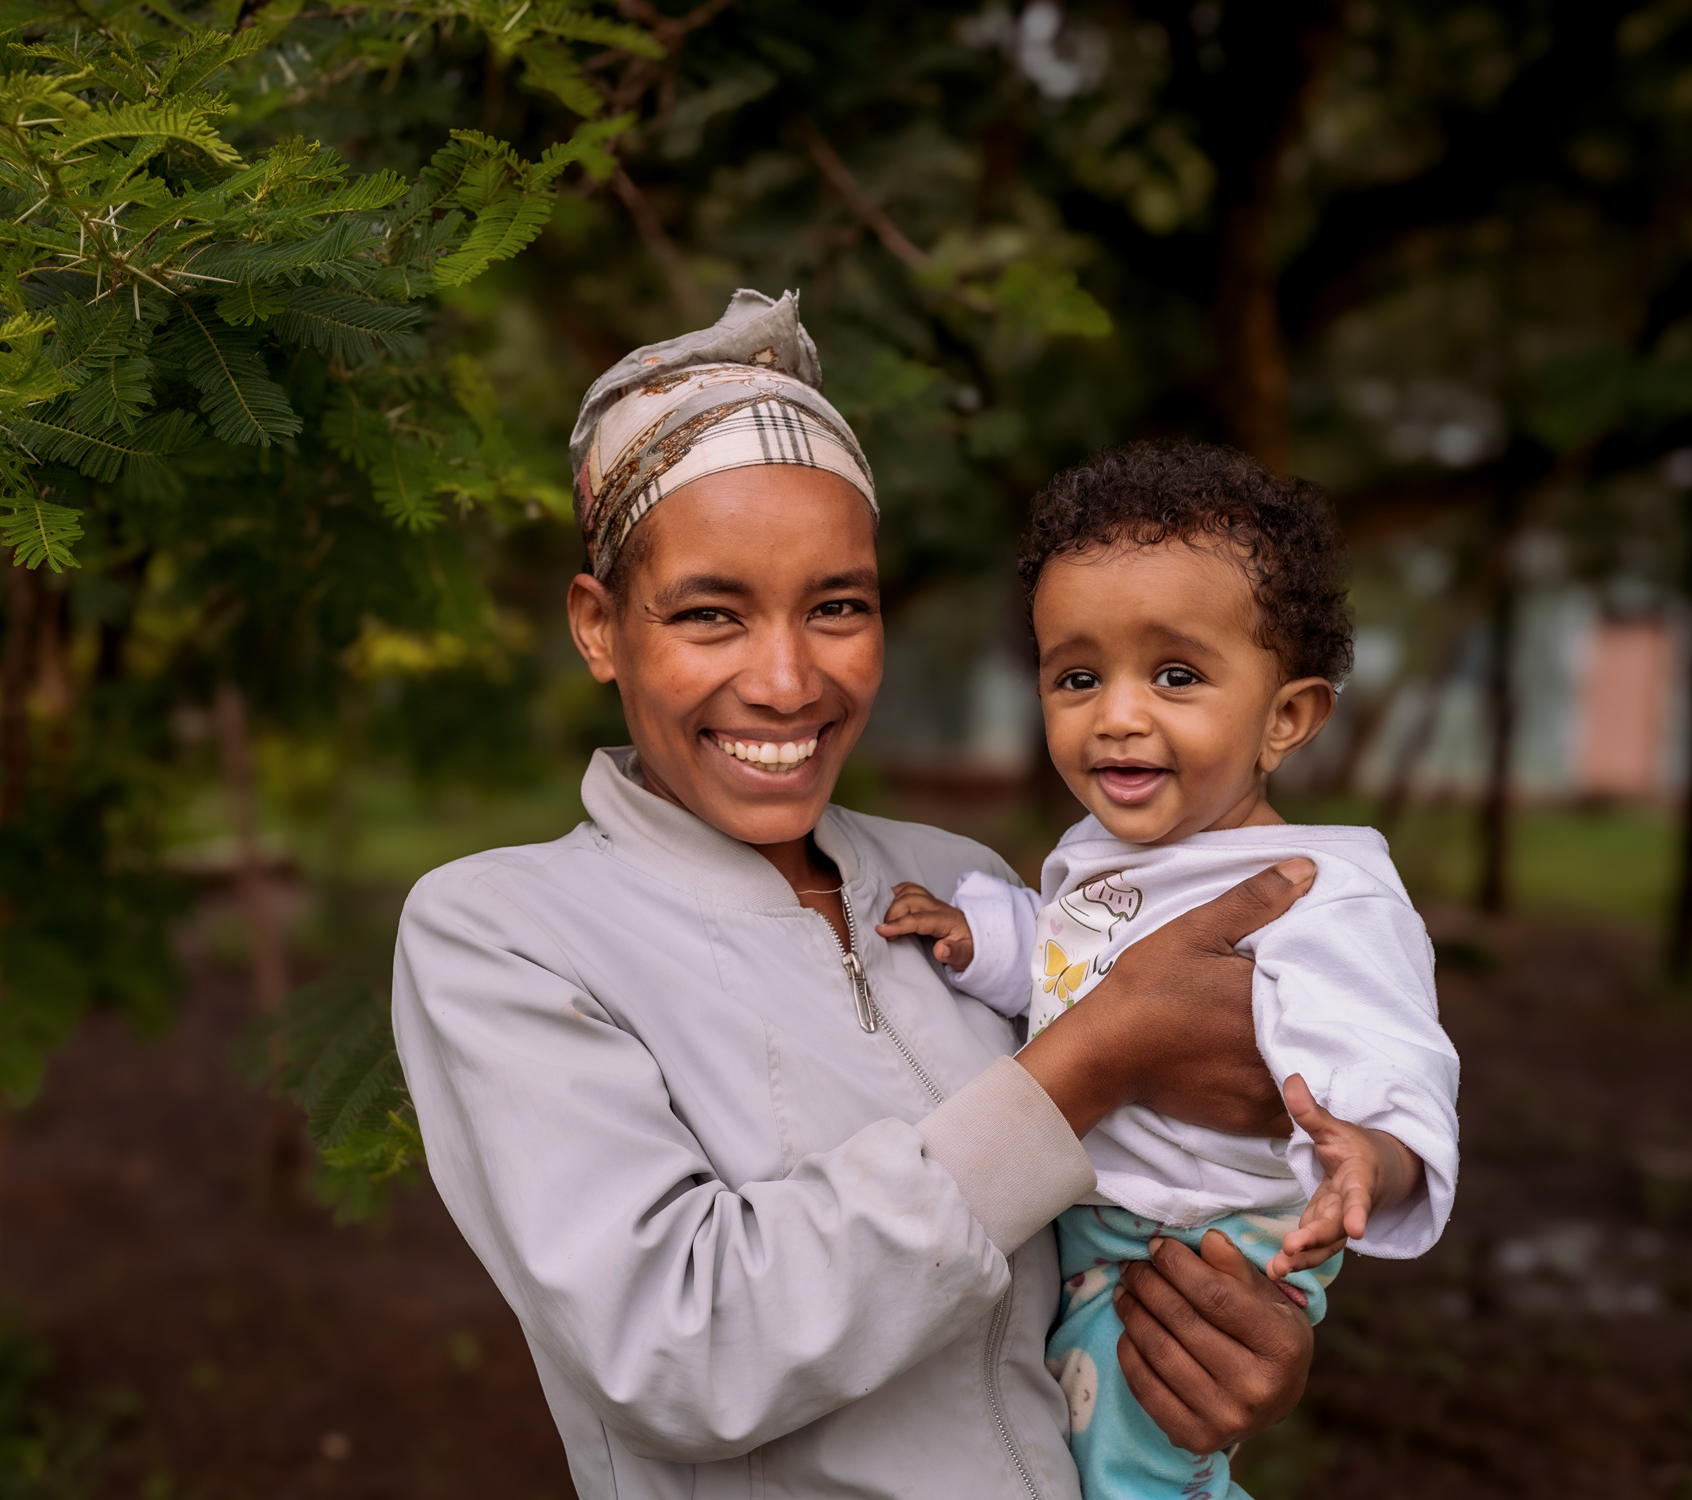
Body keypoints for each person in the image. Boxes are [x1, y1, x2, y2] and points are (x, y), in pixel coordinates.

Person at [392, 291, 1372, 1500]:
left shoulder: (960, 882)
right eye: (711, 614)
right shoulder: (505, 935)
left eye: (837, 607)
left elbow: (1113, 1232)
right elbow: (681, 1354)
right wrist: (1090, 1062)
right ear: (600, 629)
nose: (788, 679)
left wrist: (1231, 1344)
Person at [878, 443, 1460, 1500]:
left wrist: (1370, 1157)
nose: (1118, 714)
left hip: (1202, 1249)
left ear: (1287, 718)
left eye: (1177, 675)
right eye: (1079, 675)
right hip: (1098, 1232)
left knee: (1136, 1464)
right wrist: (983, 941)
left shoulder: (1318, 885)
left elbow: (1393, 1057)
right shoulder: (1106, 854)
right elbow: (1072, 963)